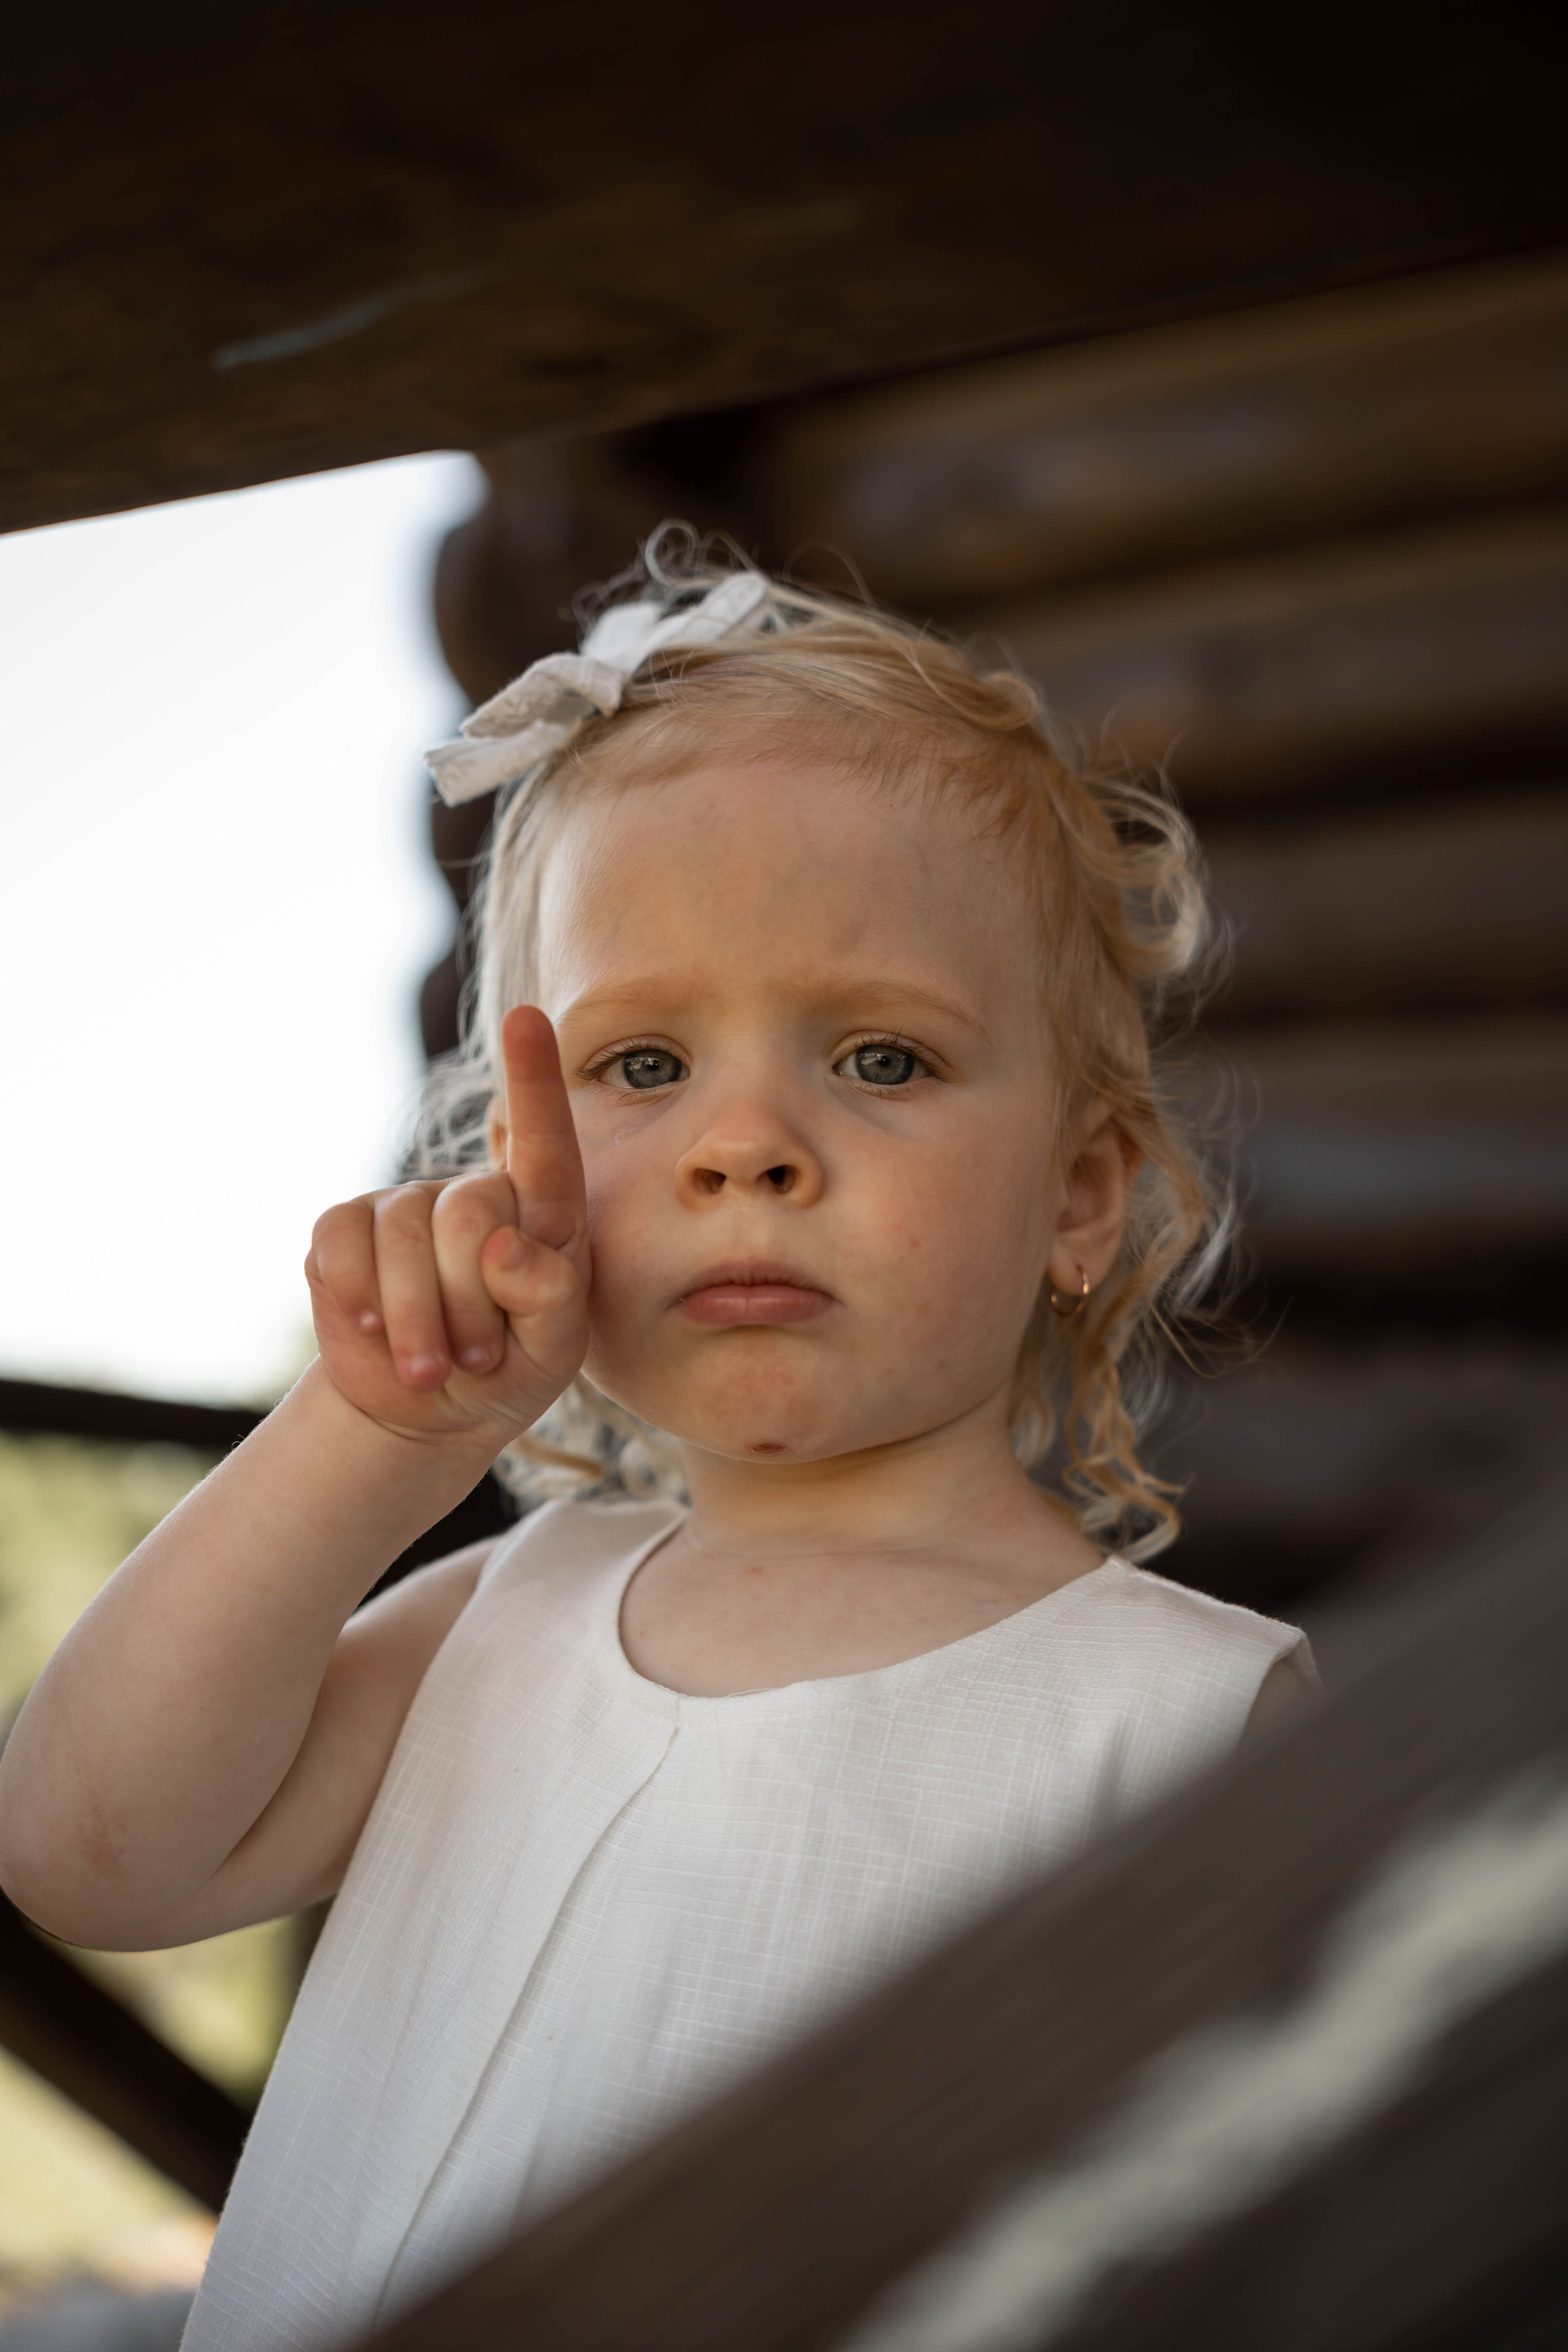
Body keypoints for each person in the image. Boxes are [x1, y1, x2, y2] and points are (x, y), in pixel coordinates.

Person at [0, 533, 1315, 2349]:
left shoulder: (1191, 1722)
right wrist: (369, 1440)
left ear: (1080, 1195)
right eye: (640, 1069)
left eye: (879, 1060)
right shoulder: (509, 1612)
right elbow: (87, 1850)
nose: (745, 1146)